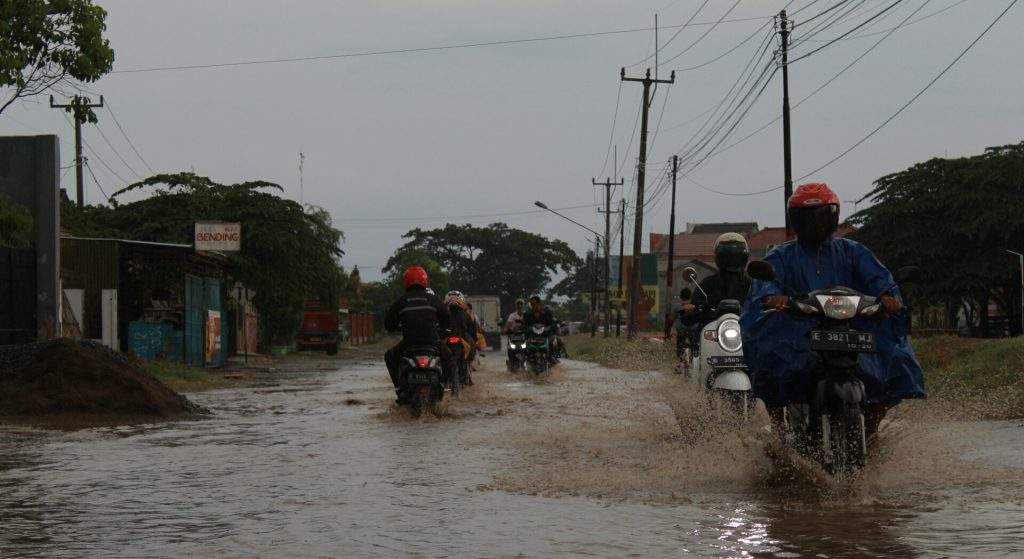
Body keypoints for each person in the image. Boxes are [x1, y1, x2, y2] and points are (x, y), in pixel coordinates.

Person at [740, 182, 926, 437]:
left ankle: (872, 426)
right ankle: (779, 429)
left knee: (897, 359)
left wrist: (888, 296)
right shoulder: (781, 256)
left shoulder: (853, 251)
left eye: (821, 216)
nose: (815, 223)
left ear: (834, 216)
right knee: (771, 358)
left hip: (852, 325)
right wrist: (774, 298)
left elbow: (879, 278)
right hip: (799, 330)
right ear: (795, 219)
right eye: (807, 217)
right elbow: (765, 284)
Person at [384, 266, 451, 404]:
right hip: (433, 343)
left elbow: (389, 325)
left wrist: (397, 327)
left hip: (409, 345)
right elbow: (447, 319)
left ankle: (398, 388)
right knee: (449, 356)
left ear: (406, 282)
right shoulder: (433, 299)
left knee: (389, 356)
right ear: (424, 281)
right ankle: (444, 385)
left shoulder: (401, 301)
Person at [682, 233, 753, 356]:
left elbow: (764, 300)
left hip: (745, 333)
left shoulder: (753, 285)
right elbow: (692, 309)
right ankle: (697, 369)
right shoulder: (707, 284)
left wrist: (769, 305)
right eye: (727, 255)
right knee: (698, 345)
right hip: (714, 335)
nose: (732, 258)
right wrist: (691, 309)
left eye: (736, 255)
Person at [444, 290, 478, 383]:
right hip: (457, 341)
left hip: (453, 341)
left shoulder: (444, 314)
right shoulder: (465, 314)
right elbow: (473, 332)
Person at [523, 295, 563, 359]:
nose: (533, 306)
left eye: (534, 304)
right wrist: (528, 328)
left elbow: (552, 323)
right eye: (531, 304)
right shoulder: (527, 314)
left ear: (539, 304)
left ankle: (552, 357)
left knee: (553, 342)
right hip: (532, 336)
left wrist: (549, 328)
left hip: (545, 335)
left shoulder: (547, 313)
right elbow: (524, 325)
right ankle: (524, 359)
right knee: (523, 345)